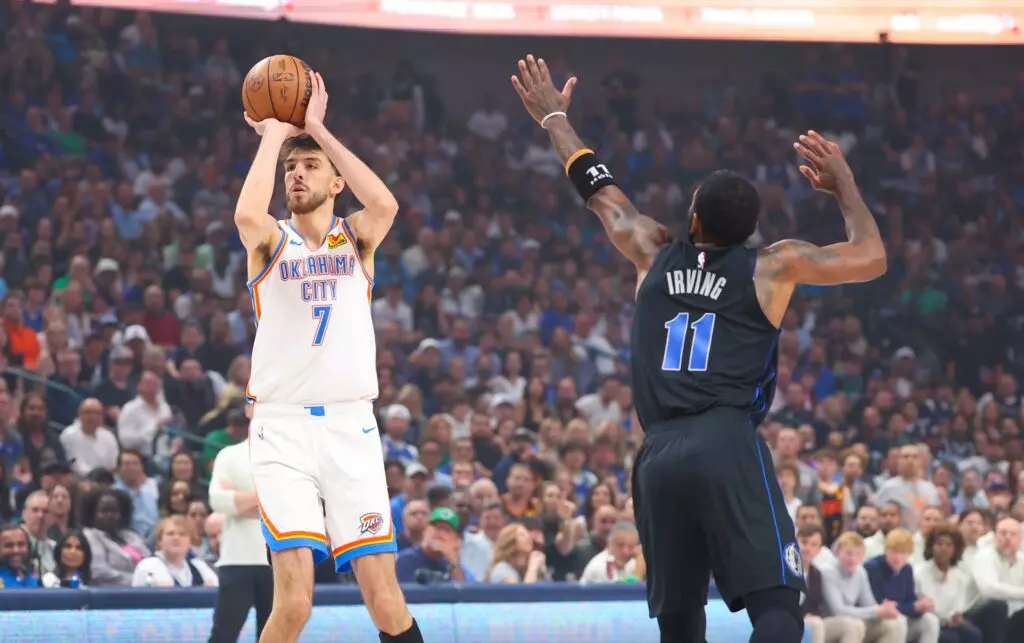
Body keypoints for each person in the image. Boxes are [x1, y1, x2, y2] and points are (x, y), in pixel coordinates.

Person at [510, 55, 886, 643]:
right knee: (780, 608)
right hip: (723, 439)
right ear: (750, 230)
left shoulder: (651, 249)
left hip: (657, 453)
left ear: (691, 218)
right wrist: (845, 188)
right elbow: (870, 256)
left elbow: (598, 188)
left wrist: (554, 115)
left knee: (681, 623)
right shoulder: (773, 265)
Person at [236, 73, 419, 643]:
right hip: (281, 430)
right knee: (293, 605)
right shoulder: (270, 241)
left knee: (386, 600)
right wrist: (273, 134)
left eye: (310, 166)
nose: (297, 173)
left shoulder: (356, 238)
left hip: (350, 426)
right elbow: (246, 216)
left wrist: (315, 128)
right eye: (293, 168)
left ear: (337, 181)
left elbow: (386, 201)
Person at [208, 436, 273, 643]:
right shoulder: (229, 455)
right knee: (224, 634)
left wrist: (239, 499)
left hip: (279, 556)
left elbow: (299, 503)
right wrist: (270, 496)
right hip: (236, 557)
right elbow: (218, 500)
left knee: (277, 636)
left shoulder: (294, 453)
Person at [914, 524, 1005, 643]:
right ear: (931, 547)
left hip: (952, 621)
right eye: (939, 544)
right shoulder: (920, 573)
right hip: (929, 622)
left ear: (955, 549)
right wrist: (945, 619)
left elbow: (958, 605)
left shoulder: (959, 575)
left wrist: (955, 617)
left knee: (974, 634)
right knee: (951, 639)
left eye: (948, 545)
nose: (944, 548)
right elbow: (927, 605)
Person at [863, 529, 940, 643]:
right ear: (886, 550)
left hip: (900, 619)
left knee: (931, 620)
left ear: (910, 553)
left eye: (903, 552)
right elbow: (879, 605)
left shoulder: (907, 569)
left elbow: (911, 600)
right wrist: (912, 607)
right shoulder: (872, 568)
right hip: (876, 622)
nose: (898, 557)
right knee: (899, 620)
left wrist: (922, 606)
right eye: (894, 551)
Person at [797, 525, 865, 643]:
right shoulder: (783, 569)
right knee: (816, 624)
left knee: (853, 625)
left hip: (809, 622)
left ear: (819, 550)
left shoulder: (816, 574)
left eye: (813, 545)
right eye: (804, 542)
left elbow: (815, 605)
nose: (807, 548)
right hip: (789, 621)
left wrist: (811, 614)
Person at [132, 515, 218, 587]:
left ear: (190, 542)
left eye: (182, 534)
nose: (176, 538)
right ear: (160, 541)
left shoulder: (199, 566)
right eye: (170, 534)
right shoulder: (149, 565)